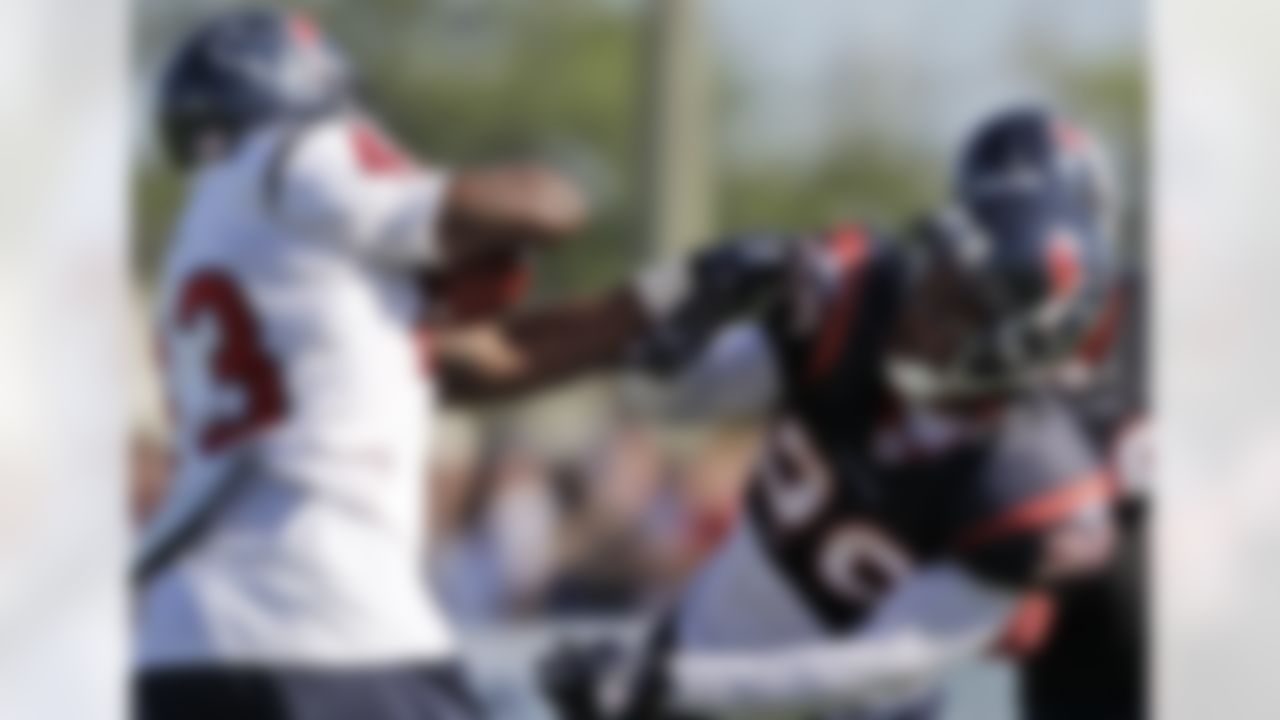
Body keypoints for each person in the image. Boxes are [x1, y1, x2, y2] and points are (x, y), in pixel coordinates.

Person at [519, 110, 1122, 719]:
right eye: (931, 276)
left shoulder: (1033, 478)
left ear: (1014, 345)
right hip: (690, 662)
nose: (916, 307)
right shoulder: (858, 302)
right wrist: (682, 327)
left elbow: (890, 663)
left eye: (950, 303)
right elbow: (662, 401)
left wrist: (670, 683)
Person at [135, 9, 586, 719]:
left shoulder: (200, 226)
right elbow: (545, 208)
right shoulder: (298, 154)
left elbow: (444, 355)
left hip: (176, 649)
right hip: (324, 623)